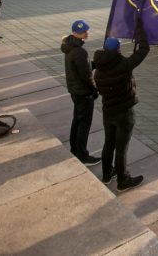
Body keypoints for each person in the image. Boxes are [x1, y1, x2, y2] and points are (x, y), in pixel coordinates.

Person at [93, 20, 151, 191]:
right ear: (118, 49)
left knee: (108, 143)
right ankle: (122, 180)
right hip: (124, 113)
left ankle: (106, 174)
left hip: (108, 111)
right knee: (121, 148)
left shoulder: (98, 70)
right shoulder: (124, 65)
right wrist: (139, 27)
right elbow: (144, 49)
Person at [61, 19, 100, 166]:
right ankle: (82, 155)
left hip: (75, 90)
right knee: (84, 124)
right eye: (85, 31)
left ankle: (74, 149)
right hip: (83, 92)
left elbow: (81, 68)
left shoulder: (69, 46)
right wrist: (95, 90)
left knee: (77, 120)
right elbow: (86, 76)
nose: (87, 33)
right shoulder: (80, 52)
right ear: (78, 34)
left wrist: (93, 64)